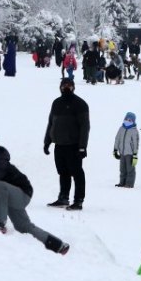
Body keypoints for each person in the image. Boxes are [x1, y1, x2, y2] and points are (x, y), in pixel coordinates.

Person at [43, 77, 90, 210]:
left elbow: (85, 127)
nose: (66, 88)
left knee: (77, 173)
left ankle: (78, 200)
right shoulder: (56, 103)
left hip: (73, 145)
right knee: (63, 172)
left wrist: (82, 146)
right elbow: (51, 123)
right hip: (59, 144)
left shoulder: (80, 104)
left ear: (73, 87)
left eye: (69, 85)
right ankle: (63, 197)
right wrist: (47, 142)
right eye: (64, 85)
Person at [113, 111, 140, 188]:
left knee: (130, 169)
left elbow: (136, 143)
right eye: (126, 119)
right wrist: (115, 150)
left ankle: (129, 184)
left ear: (133, 121)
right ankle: (122, 182)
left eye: (130, 120)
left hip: (130, 154)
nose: (128, 121)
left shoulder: (134, 131)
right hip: (122, 153)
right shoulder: (121, 129)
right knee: (122, 169)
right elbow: (117, 139)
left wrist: (135, 154)